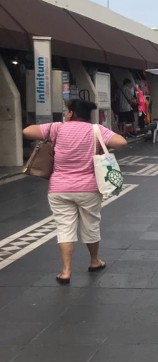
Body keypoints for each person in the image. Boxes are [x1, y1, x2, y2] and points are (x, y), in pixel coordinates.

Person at [22, 99, 127, 285]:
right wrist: (101, 146)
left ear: (70, 113)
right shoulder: (96, 130)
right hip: (88, 188)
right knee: (91, 224)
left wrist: (49, 136)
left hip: (59, 188)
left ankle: (65, 271)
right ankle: (94, 261)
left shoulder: (57, 128)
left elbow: (27, 131)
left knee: (64, 228)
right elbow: (122, 142)